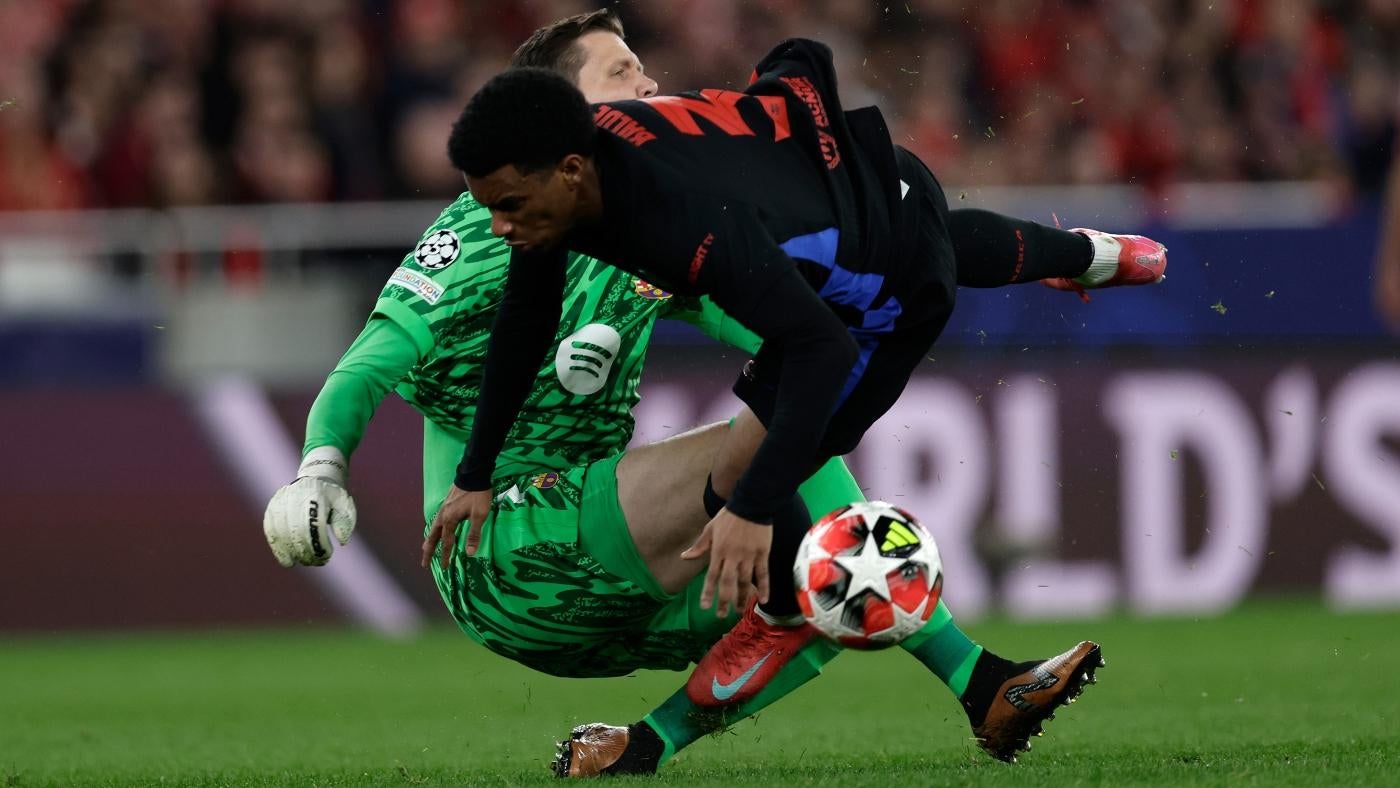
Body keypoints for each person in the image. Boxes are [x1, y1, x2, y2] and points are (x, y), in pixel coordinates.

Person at [261, 11, 1099, 775]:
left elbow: (793, 332)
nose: (649, 86)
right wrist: (321, 470)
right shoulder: (486, 228)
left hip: (610, 558)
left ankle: (653, 744)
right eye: (623, 71)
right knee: (780, 450)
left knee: (822, 589)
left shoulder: (652, 219)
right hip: (501, 549)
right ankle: (974, 673)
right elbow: (368, 361)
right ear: (562, 112)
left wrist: (994, 263)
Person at [440, 37, 1159, 720]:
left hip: (874, 318)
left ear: (570, 169)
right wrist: (475, 473)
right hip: (884, 177)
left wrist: (754, 509)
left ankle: (784, 615)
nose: (501, 225)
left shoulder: (685, 226)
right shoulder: (575, 168)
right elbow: (526, 319)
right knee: (930, 231)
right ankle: (1096, 254)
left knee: (737, 481)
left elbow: (821, 346)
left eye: (507, 206)